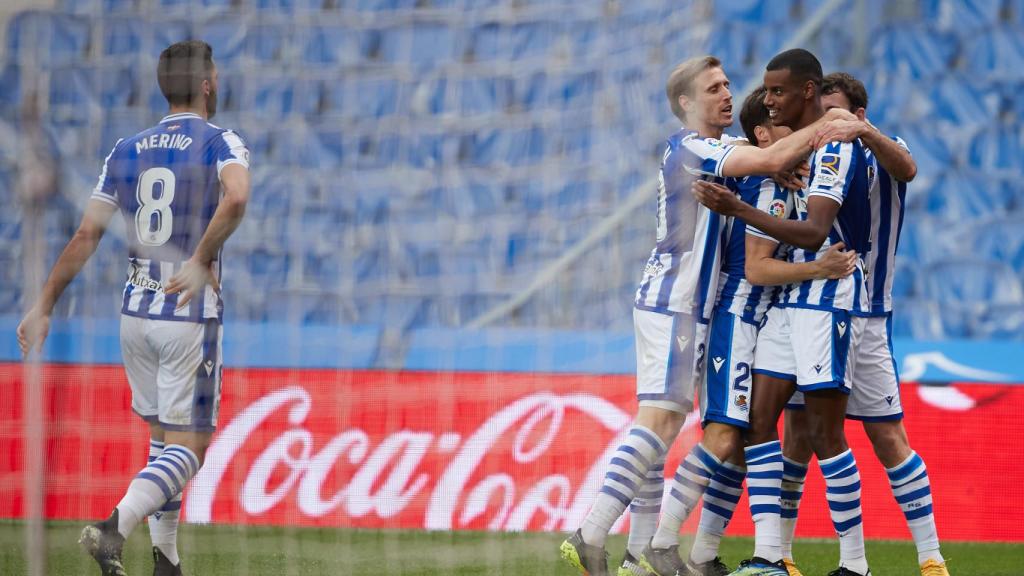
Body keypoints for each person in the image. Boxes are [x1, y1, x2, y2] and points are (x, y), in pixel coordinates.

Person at [559, 54, 855, 576]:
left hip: (692, 306)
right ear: (686, 104)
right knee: (665, 423)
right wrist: (821, 130)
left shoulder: (724, 148)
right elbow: (764, 158)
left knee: (668, 428)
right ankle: (592, 532)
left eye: (726, 86)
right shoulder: (690, 146)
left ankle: (639, 554)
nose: (725, 95)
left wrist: (782, 157)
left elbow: (761, 151)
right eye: (713, 88)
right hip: (676, 301)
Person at [16, 40, 250, 576]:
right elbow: (236, 196)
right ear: (208, 83)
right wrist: (201, 256)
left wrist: (44, 304)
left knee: (162, 442)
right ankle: (112, 529)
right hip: (187, 312)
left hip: (134, 315)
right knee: (190, 449)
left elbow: (85, 233)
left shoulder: (126, 148)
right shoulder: (220, 142)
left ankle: (166, 559)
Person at [693, 48, 873, 576]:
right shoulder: (791, 152)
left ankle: (855, 564)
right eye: (767, 92)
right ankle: (770, 555)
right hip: (787, 298)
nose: (768, 101)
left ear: (808, 92)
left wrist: (741, 209)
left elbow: (817, 233)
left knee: (823, 433)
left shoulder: (835, 147)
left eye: (777, 92)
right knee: (758, 421)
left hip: (829, 291)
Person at [778, 72, 949, 576]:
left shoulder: (881, 147)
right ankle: (782, 555)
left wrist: (864, 133)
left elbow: (910, 168)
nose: (826, 123)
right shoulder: (811, 155)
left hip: (869, 315)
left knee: (888, 438)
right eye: (821, 114)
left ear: (858, 114)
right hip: (812, 307)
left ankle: (932, 558)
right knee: (798, 434)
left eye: (836, 114)